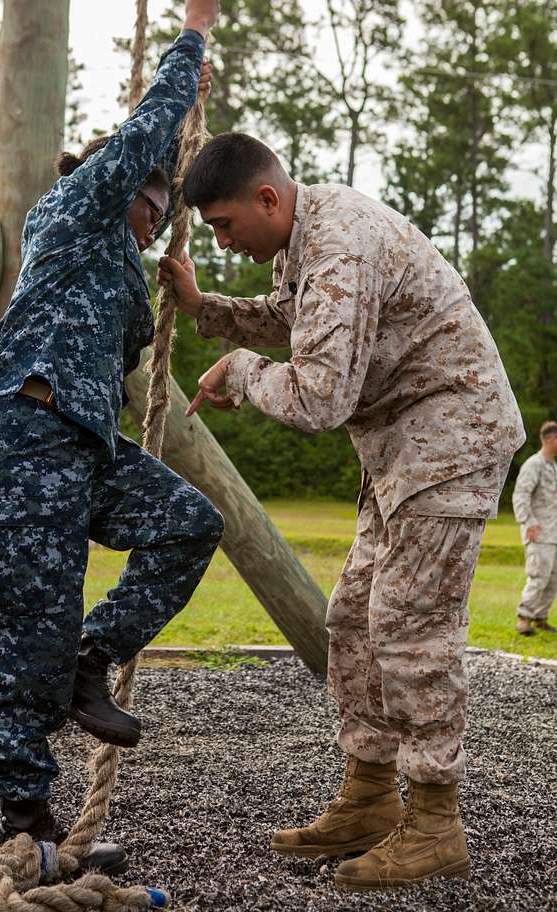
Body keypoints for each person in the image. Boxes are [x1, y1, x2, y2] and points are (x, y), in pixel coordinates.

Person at [157, 131, 525, 892]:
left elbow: (319, 397)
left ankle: (434, 822)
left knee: (406, 625)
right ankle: (367, 798)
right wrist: (208, 310)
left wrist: (245, 370)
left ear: (267, 198)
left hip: (452, 436)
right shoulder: (304, 235)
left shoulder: (340, 243)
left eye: (225, 225)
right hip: (400, 450)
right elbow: (295, 319)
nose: (222, 241)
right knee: (352, 618)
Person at [0, 0, 224, 864]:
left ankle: (88, 660)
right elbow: (145, 138)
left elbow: (131, 350)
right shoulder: (71, 212)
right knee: (28, 631)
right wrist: (190, 43)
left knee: (190, 523)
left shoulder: (119, 271)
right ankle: (27, 825)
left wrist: (177, 291)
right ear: (130, 193)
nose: (155, 229)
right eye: (157, 211)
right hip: (20, 443)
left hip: (81, 450)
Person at [512, 421, 557, 636]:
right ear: (552, 440)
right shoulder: (534, 464)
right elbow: (521, 495)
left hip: (553, 533)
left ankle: (540, 617)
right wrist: (528, 522)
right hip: (538, 532)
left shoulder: (552, 466)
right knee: (538, 575)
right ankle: (524, 618)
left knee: (552, 578)